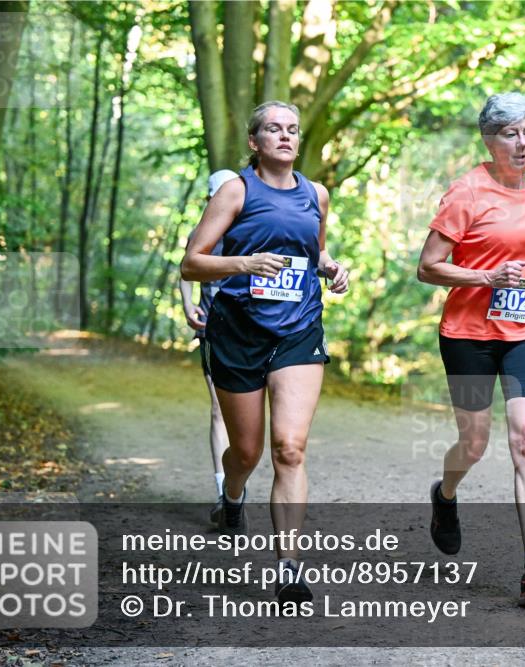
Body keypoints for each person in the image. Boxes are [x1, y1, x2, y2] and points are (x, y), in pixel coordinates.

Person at [416, 92, 525, 608]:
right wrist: (486, 276)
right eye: (510, 134)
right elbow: (428, 266)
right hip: (468, 335)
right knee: (473, 445)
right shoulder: (465, 193)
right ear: (489, 140)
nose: (522, 143)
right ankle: (445, 496)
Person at [180, 101, 349, 604]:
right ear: (254, 142)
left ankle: (289, 568)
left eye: (293, 130)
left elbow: (313, 251)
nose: (285, 136)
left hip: (298, 330)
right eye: (273, 129)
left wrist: (331, 268)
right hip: (237, 333)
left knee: (289, 448)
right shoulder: (236, 190)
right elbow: (193, 263)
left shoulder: (315, 194)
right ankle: (232, 496)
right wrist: (244, 263)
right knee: (247, 452)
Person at [179, 169, 239, 515]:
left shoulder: (252, 232)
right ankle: (223, 494)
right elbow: (184, 271)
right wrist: (188, 305)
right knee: (219, 409)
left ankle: (237, 485)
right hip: (212, 330)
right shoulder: (200, 233)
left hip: (251, 331)